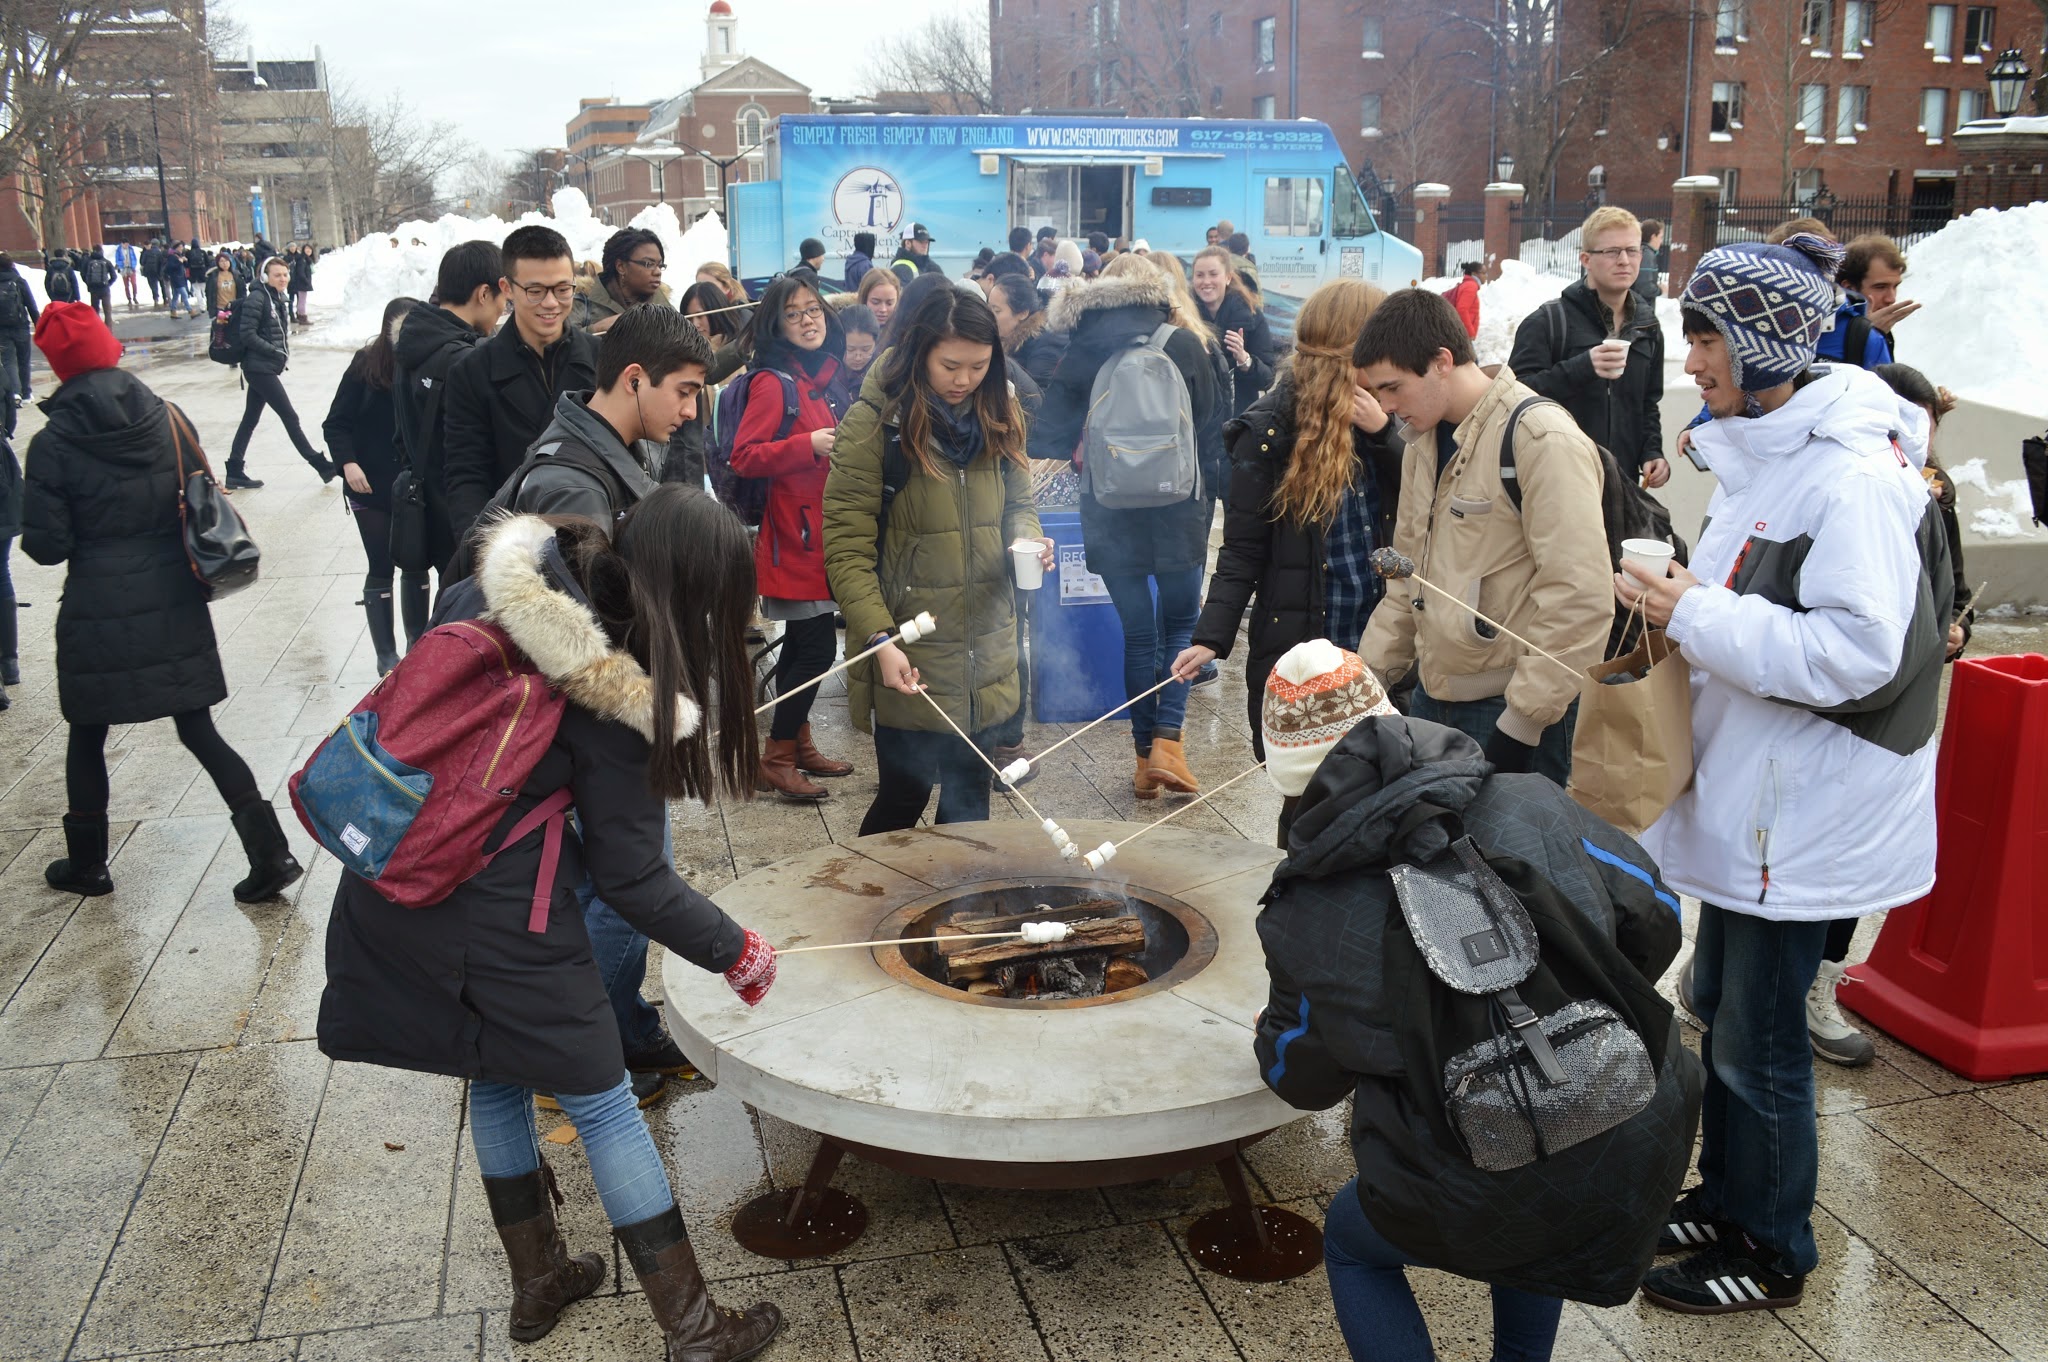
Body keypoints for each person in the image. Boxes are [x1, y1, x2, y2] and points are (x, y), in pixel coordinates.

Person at [317, 494, 785, 1361]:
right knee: (604, 1104)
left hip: (396, 877)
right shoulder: (615, 696)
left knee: (490, 1076)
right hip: (499, 921)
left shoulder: (501, 588)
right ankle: (696, 1332)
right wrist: (737, 950)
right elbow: (635, 880)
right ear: (694, 595)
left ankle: (539, 1280)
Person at [1631, 233, 1951, 1315]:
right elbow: (1752, 610)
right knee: (1720, 1006)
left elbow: (1859, 653)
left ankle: (1769, 1249)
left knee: (1758, 1039)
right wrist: (1680, 606)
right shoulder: (1762, 450)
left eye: (1705, 337)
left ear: (1767, 342)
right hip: (1756, 795)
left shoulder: (1850, 480)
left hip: (1799, 813)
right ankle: (1728, 1193)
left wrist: (1695, 610)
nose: (1691, 362)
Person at [1250, 640, 1694, 1362]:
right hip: (1632, 1118)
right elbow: (1659, 915)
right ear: (1396, 725)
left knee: (1357, 1241)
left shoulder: (1303, 912)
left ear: (1290, 777)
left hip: (1462, 1172)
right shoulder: (1534, 799)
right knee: (1547, 1133)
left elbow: (1298, 1077)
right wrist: (1575, 1001)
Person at [22, 302, 302, 903]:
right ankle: (270, 853)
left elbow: (48, 548)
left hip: (96, 603)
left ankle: (88, 864)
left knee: (87, 733)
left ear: (59, 366)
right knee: (198, 728)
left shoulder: (50, 444)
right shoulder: (166, 418)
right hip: (174, 594)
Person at [1354, 288, 1610, 789]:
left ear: (1442, 362)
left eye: (1392, 387)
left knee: (1507, 865)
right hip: (1433, 697)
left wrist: (1522, 724)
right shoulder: (1420, 445)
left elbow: (1580, 596)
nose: (1385, 406)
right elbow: (1407, 579)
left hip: (1512, 705)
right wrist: (1365, 685)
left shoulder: (1542, 437)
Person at [823, 285, 1047, 833]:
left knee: (970, 804)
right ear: (920, 350)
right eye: (950, 365)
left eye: (979, 366)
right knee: (904, 795)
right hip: (912, 650)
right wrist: (879, 639)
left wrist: (1030, 540)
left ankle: (959, 910)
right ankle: (866, 908)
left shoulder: (1002, 411)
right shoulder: (876, 424)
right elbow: (845, 546)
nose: (964, 380)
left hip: (989, 644)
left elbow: (1020, 502)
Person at [1174, 280, 1400, 795]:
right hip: (1306, 638)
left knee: (1384, 787)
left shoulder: (1393, 415)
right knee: (1311, 792)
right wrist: (1212, 635)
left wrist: (1386, 435)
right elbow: (1243, 547)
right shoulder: (1270, 429)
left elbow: (1423, 507)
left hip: (1383, 640)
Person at [1028, 255, 1220, 798]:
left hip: (1110, 514)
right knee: (1180, 627)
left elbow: (1046, 437)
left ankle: (1143, 765)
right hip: (1179, 509)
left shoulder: (1084, 349)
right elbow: (1208, 423)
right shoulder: (1183, 345)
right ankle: (1169, 745)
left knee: (1138, 636)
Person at [730, 273, 856, 801]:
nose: (808, 320)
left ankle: (798, 743)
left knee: (807, 646)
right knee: (816, 651)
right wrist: (809, 444)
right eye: (794, 313)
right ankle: (776, 757)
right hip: (793, 537)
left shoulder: (816, 379)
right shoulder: (772, 381)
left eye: (813, 310)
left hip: (817, 536)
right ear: (776, 324)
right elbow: (745, 455)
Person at [441, 225, 600, 543]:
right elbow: (466, 474)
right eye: (536, 291)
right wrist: (480, 552)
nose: (552, 303)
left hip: (590, 537)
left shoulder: (601, 360)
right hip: (511, 546)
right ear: (507, 288)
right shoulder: (472, 372)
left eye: (563, 289)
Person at [1506, 205, 1668, 488]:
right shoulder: (1548, 322)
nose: (1624, 261)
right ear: (1585, 259)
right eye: (1611, 252)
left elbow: (1647, 404)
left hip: (1622, 487)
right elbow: (1514, 397)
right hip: (1557, 484)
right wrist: (1583, 367)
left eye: (1632, 251)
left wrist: (1652, 451)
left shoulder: (1648, 327)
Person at [392, 240, 504, 633]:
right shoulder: (464, 359)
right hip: (461, 515)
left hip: (429, 509)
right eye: (503, 296)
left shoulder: (411, 344)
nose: (503, 310)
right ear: (483, 293)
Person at [324, 297, 421, 676]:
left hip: (411, 484)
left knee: (415, 561)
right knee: (380, 563)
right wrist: (347, 464)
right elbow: (336, 422)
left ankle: (417, 644)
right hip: (368, 482)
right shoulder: (366, 364)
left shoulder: (424, 363)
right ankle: (386, 654)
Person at [224, 256, 336, 491]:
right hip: (259, 368)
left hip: (263, 367)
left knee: (250, 419)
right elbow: (248, 334)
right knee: (290, 417)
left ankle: (234, 470)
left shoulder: (274, 297)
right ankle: (321, 465)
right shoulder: (258, 298)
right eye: (277, 275)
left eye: (285, 274)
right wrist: (274, 351)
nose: (283, 279)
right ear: (265, 276)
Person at [1192, 245, 1275, 418]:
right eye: (1199, 275)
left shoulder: (1251, 315)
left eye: (1213, 274)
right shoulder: (1185, 317)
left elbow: (1267, 379)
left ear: (1228, 278)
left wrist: (1245, 361)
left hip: (1239, 418)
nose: (1206, 281)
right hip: (1200, 421)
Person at [572, 227, 668, 334]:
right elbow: (560, 347)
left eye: (660, 265)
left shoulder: (665, 310)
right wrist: (595, 330)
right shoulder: (581, 305)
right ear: (621, 266)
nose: (658, 272)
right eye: (648, 264)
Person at [1841, 234, 1917, 361]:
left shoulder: (1879, 327)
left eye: (1895, 286)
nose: (1891, 299)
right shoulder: (1825, 330)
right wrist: (1865, 337)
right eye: (1880, 287)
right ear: (1849, 288)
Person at [984, 274, 1064, 389]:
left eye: (996, 310)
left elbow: (1038, 396)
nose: (988, 316)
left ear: (1022, 313)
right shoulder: (997, 338)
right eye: (988, 308)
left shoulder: (1045, 345)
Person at [0, 253, 37, 435]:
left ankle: (14, 391)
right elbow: (30, 304)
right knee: (24, 359)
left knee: (8, 361)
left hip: (2, 328)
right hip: (21, 326)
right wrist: (39, 324)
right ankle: (26, 393)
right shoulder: (19, 280)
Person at [838, 303, 880, 384]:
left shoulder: (881, 374)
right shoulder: (823, 371)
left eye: (865, 349)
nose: (858, 358)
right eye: (850, 349)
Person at [856, 267, 900, 333]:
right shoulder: (847, 332)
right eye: (875, 302)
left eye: (889, 303)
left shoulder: (906, 334)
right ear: (864, 300)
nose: (883, 309)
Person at [1445, 261, 1481, 340]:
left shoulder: (1468, 284)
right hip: (1463, 334)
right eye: (1484, 273)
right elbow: (1462, 310)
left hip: (1461, 333)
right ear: (1475, 274)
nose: (1486, 276)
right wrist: (1470, 332)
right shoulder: (1470, 286)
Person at [1634, 219, 1665, 302]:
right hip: (1642, 306)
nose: (1661, 242)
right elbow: (1644, 287)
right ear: (1653, 236)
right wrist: (1661, 290)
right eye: (1660, 237)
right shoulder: (1647, 255)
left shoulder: (1641, 251)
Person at [289, 243, 315, 326]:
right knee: (302, 301)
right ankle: (302, 317)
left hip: (302, 282)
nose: (308, 251)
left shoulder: (305, 259)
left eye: (310, 249)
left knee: (301, 300)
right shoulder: (302, 259)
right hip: (302, 283)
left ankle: (301, 316)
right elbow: (301, 272)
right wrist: (306, 281)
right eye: (307, 249)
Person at [162, 244, 191, 319]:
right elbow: (171, 267)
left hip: (180, 278)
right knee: (184, 295)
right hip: (176, 278)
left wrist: (185, 261)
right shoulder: (172, 256)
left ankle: (173, 311)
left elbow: (185, 266)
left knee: (175, 296)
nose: (182, 249)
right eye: (181, 247)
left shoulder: (179, 255)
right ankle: (190, 310)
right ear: (177, 248)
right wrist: (180, 262)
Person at [141, 240, 164, 308]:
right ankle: (165, 298)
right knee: (162, 285)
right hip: (157, 271)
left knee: (153, 286)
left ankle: (156, 299)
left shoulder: (146, 253)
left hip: (149, 272)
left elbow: (142, 262)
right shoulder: (158, 252)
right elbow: (161, 262)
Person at [115, 241, 138, 309]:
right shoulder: (118, 250)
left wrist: (133, 265)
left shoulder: (131, 249)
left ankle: (135, 296)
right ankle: (129, 298)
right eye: (125, 244)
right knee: (126, 285)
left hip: (131, 268)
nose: (127, 245)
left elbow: (134, 258)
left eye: (127, 244)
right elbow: (117, 260)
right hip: (123, 269)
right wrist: (122, 263)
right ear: (122, 244)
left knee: (134, 283)